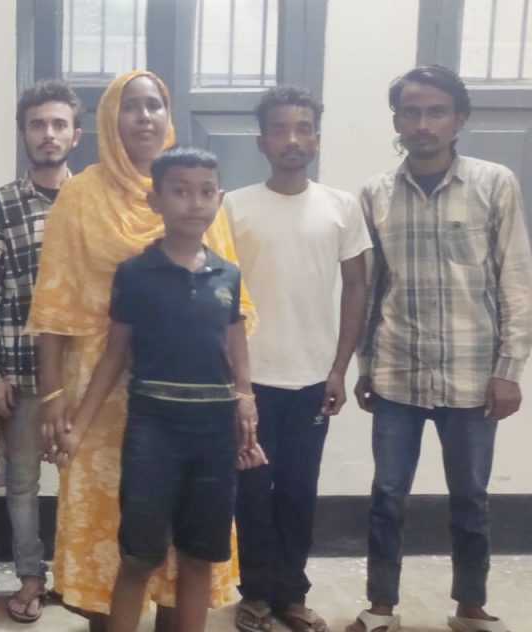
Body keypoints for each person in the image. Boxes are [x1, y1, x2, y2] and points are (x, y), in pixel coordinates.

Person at [27, 70, 254, 632]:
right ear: (111, 118)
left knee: (189, 539)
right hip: (98, 394)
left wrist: (241, 396)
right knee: (120, 535)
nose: (145, 116)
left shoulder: (195, 192)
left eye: (155, 104)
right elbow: (53, 300)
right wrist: (53, 395)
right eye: (131, 106)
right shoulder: (81, 195)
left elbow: (229, 310)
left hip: (193, 396)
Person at [347, 65, 532, 632]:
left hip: (472, 377)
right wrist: (365, 365)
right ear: (397, 121)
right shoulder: (375, 194)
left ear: (459, 119)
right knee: (386, 495)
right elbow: (371, 288)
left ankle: (470, 607)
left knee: (471, 497)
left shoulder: (494, 183)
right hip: (397, 371)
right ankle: (381, 606)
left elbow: (515, 279)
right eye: (411, 112)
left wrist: (509, 369)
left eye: (436, 111)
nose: (422, 123)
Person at [225, 86, 371, 632]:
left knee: (298, 492)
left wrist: (339, 369)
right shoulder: (233, 206)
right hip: (251, 381)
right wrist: (234, 384)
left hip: (312, 379)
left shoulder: (341, 206)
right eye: (280, 129)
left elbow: (357, 288)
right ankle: (255, 594)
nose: (292, 139)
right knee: (251, 493)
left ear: (316, 137)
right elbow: (221, 297)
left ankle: (291, 595)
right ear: (262, 142)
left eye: (303, 128)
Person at [0, 79, 82, 623]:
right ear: (23, 132)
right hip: (21, 371)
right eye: (38, 124)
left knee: (83, 478)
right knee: (21, 483)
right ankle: (31, 576)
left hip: (85, 375)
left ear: (76, 134)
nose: (48, 134)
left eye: (59, 124)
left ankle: (80, 577)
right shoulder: (0, 205)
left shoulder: (93, 202)